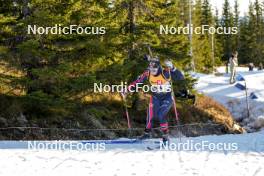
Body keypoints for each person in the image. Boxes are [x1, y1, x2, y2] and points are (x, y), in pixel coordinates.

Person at [123, 57, 184, 143]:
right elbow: (138, 82)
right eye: (151, 69)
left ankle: (165, 136)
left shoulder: (165, 72)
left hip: (167, 97)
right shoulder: (147, 73)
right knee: (150, 115)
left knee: (161, 114)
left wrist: (173, 68)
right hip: (155, 97)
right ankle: (146, 134)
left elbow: (180, 77)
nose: (153, 71)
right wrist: (127, 90)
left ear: (159, 67)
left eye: (155, 68)